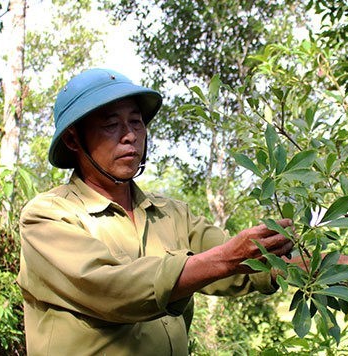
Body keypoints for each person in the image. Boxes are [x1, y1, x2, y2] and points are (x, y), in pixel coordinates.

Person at [17, 68, 296, 355]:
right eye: (111, 125)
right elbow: (112, 288)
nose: (130, 136)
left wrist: (330, 268)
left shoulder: (171, 213)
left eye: (136, 122)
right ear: (73, 140)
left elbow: (244, 263)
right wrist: (225, 258)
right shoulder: (48, 216)